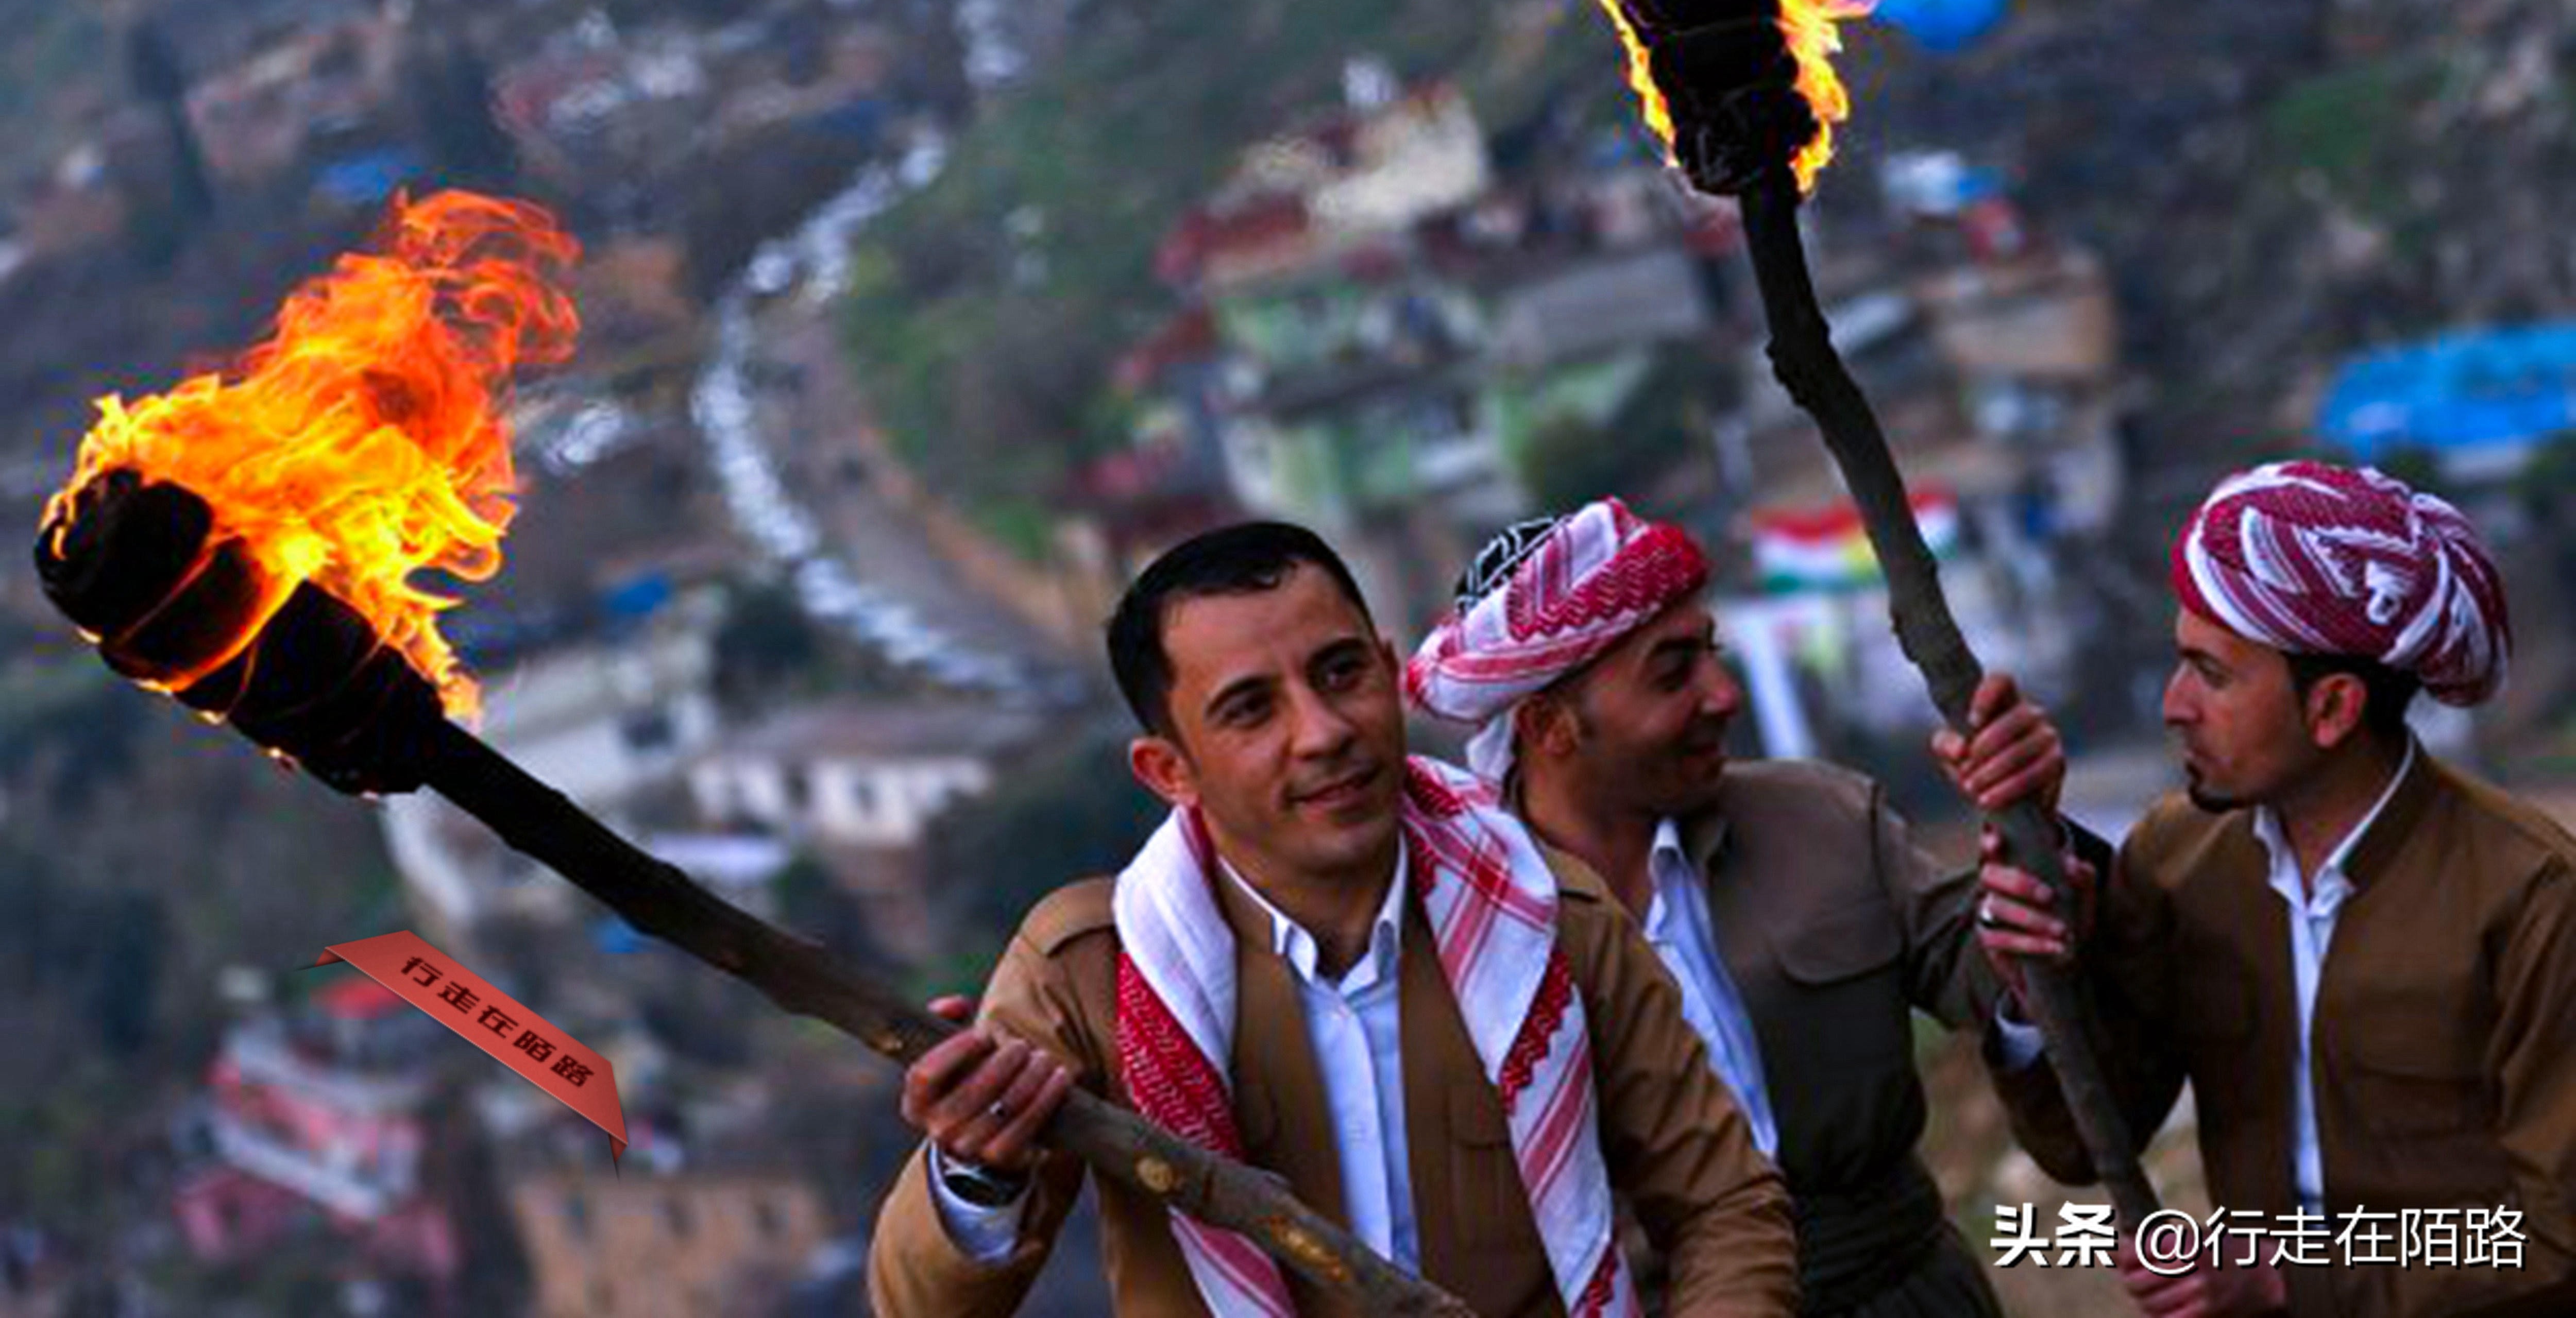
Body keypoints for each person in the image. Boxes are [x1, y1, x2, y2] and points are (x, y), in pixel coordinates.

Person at [867, 521, 1799, 1317]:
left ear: (1389, 673)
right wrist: (976, 1173)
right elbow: (919, 1304)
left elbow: (1722, 1205)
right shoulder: (1088, 974)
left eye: (1341, 672)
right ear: (1169, 771)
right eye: (1250, 710)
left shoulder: (1551, 917)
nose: (1322, 732)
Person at [1406, 499, 2066, 1317]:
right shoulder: (1460, 938)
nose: (1724, 695)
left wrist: (2034, 849)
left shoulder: (1822, 819)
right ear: (1550, 726)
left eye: (1711, 655)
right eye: (1674, 670)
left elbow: (2009, 986)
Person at [1977, 460, 2576, 1316]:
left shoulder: (2531, 895)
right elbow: (2083, 1142)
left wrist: (2288, 1281)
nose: (2174, 705)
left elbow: (2550, 1237)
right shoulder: (2176, 856)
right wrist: (2040, 991)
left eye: (2212, 675)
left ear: (2332, 710)